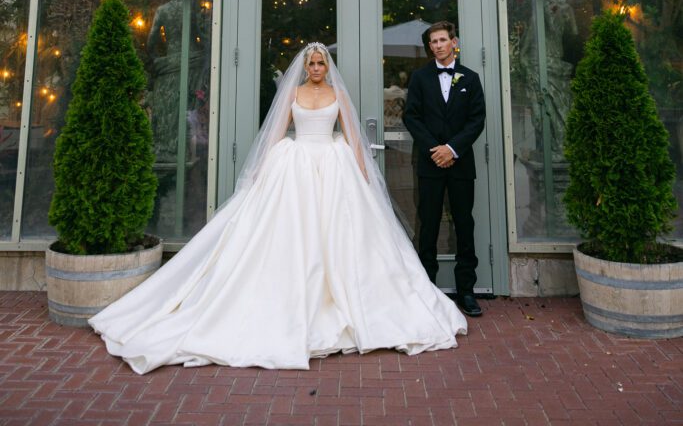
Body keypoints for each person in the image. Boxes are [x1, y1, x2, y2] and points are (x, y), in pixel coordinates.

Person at [89, 43, 466, 372]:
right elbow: (273, 133)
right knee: (289, 236)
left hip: (335, 169)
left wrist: (365, 176)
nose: (317, 68)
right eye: (312, 63)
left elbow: (352, 136)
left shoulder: (338, 93)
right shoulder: (292, 94)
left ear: (326, 66)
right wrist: (258, 172)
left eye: (321, 63)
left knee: (344, 236)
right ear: (304, 67)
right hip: (296, 164)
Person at [403, 21, 486, 318]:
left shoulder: (471, 79)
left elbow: (477, 119)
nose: (437, 45)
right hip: (429, 164)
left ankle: (467, 291)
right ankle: (427, 289)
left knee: (464, 225)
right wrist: (435, 150)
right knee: (428, 226)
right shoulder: (420, 78)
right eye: (432, 42)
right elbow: (411, 117)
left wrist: (452, 149)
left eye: (442, 40)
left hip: (461, 164)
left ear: (454, 42)